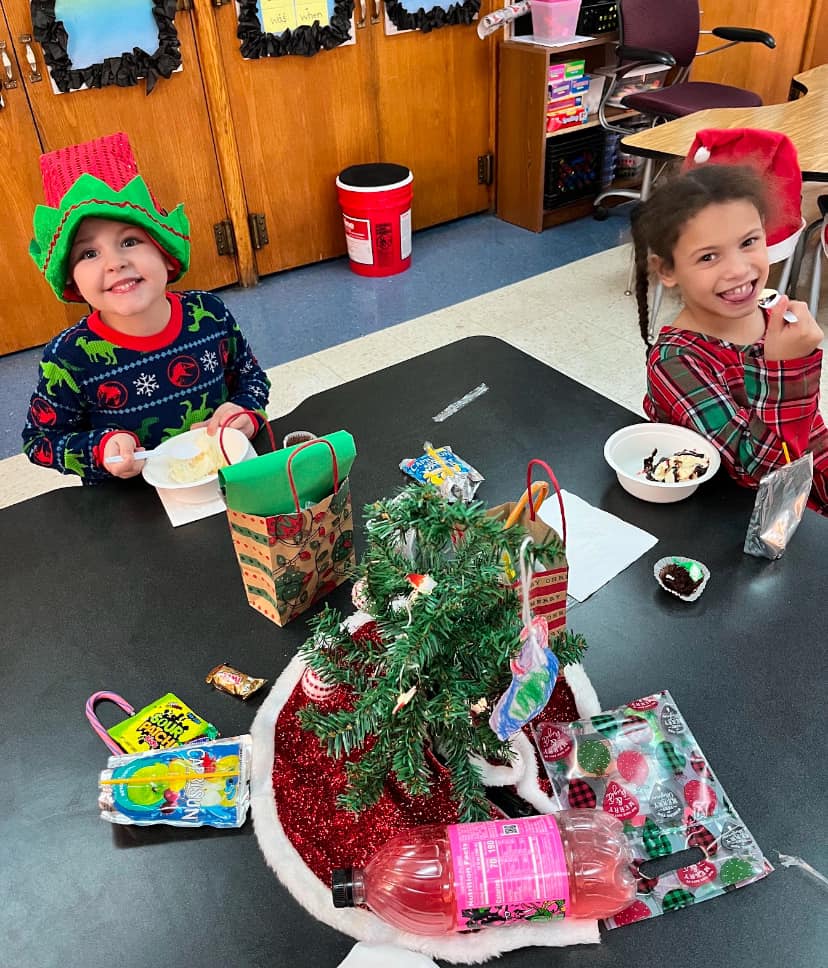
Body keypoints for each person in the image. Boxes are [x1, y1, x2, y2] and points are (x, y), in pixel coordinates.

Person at [22, 133, 270, 484]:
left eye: (130, 241)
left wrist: (246, 411)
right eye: (89, 253)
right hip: (131, 501)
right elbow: (39, 441)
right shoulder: (68, 357)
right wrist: (100, 449)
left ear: (166, 254)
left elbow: (252, 378)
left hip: (227, 481)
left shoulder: (210, 314)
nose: (115, 263)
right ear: (73, 282)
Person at [631, 163, 827, 515]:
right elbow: (761, 475)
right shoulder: (676, 362)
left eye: (749, 242)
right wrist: (787, 370)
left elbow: (812, 434)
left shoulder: (773, 316)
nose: (738, 269)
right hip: (757, 517)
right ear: (668, 270)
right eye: (708, 256)